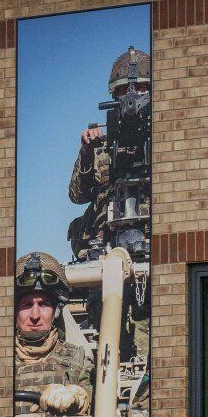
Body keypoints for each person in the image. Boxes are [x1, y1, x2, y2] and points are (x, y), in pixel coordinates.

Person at [66, 46, 152, 369]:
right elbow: (76, 194)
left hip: (149, 252)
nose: (131, 97)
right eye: (123, 91)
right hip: (107, 255)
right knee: (109, 339)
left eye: (140, 88)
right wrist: (86, 152)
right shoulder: (102, 147)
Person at [13, 252, 92, 417]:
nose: (35, 316)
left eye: (43, 304)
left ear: (56, 311)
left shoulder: (78, 359)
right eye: (27, 305)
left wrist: (78, 397)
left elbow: (96, 401)